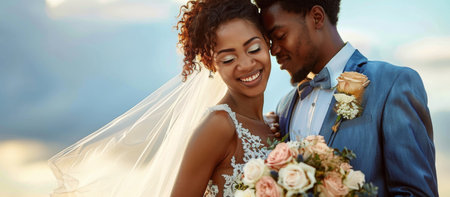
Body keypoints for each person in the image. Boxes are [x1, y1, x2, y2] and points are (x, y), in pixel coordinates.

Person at [48, 0, 274, 196]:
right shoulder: (219, 126)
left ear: (267, 41)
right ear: (210, 63)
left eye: (253, 49)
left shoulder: (276, 123)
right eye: (228, 59)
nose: (245, 64)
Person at [254, 0, 438, 196]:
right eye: (269, 42)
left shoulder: (392, 84)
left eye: (280, 36)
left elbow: (416, 192)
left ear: (317, 17)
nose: (273, 50)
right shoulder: (284, 106)